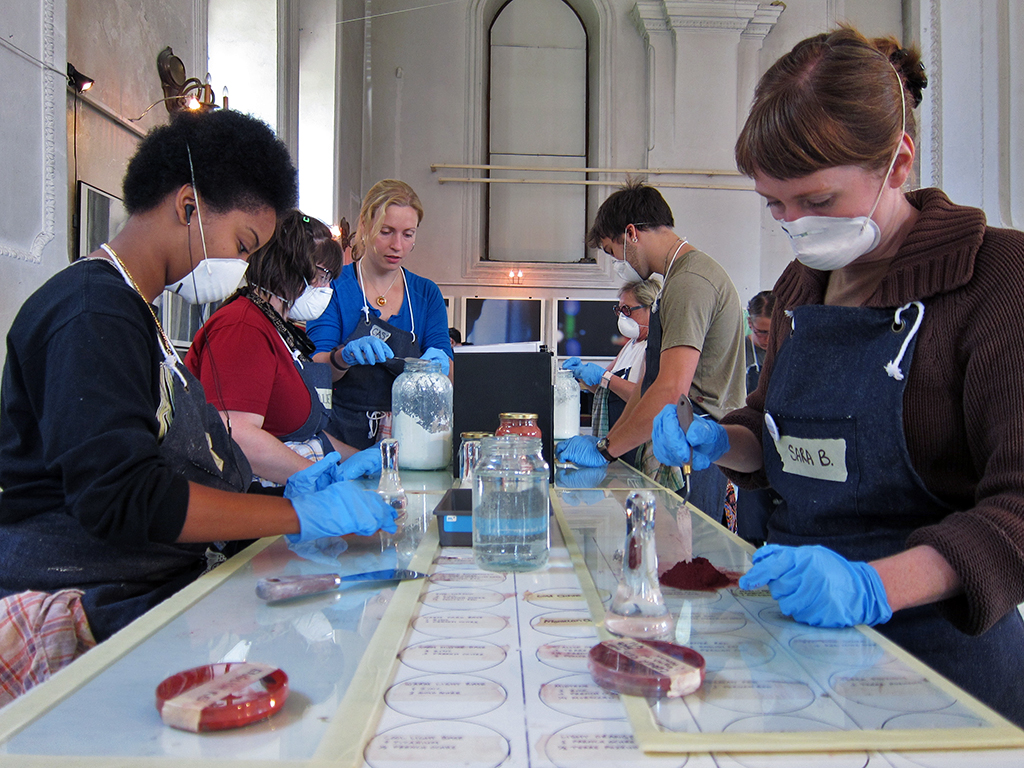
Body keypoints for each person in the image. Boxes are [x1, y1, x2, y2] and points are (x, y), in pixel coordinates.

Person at [650, 27, 1024, 725]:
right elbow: (776, 433)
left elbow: (1018, 510)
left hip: (940, 662)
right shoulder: (802, 284)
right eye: (775, 205)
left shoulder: (997, 279)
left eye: (817, 201)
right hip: (795, 638)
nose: (794, 225)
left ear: (898, 162)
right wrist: (722, 441)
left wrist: (870, 586)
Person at [0, 111, 396, 645]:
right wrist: (293, 513)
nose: (242, 265)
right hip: (90, 602)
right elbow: (127, 498)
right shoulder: (91, 311)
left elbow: (190, 448)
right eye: (241, 244)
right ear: (189, 206)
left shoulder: (137, 313)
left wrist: (300, 476)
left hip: (150, 587)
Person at [556, 181, 747, 522]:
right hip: (676, 442)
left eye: (612, 252)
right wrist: (608, 445)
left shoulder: (691, 282)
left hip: (697, 449)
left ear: (631, 233)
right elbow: (647, 386)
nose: (616, 263)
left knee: (687, 565)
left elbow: (672, 391)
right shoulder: (675, 282)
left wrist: (606, 449)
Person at [185, 210, 379, 488]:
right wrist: (324, 479)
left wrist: (355, 459)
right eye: (324, 276)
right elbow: (235, 434)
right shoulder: (242, 327)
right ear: (293, 266)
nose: (326, 288)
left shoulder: (282, 331)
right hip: (249, 499)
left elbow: (303, 432)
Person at [307, 180, 453, 450]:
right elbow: (317, 368)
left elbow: (447, 372)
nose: (397, 245)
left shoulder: (425, 294)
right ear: (364, 224)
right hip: (338, 437)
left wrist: (440, 366)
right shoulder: (334, 287)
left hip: (409, 436)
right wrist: (342, 357)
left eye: (408, 235)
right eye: (386, 232)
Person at [562, 277, 660, 468]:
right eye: (619, 309)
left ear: (651, 309)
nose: (622, 316)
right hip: (616, 440)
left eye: (627, 310)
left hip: (635, 442)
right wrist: (579, 376)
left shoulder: (655, 347)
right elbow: (602, 386)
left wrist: (604, 377)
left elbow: (644, 397)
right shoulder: (631, 345)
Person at [744, 290, 774, 395]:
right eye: (762, 332)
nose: (768, 339)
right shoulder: (739, 352)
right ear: (750, 323)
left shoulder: (788, 352)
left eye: (774, 332)